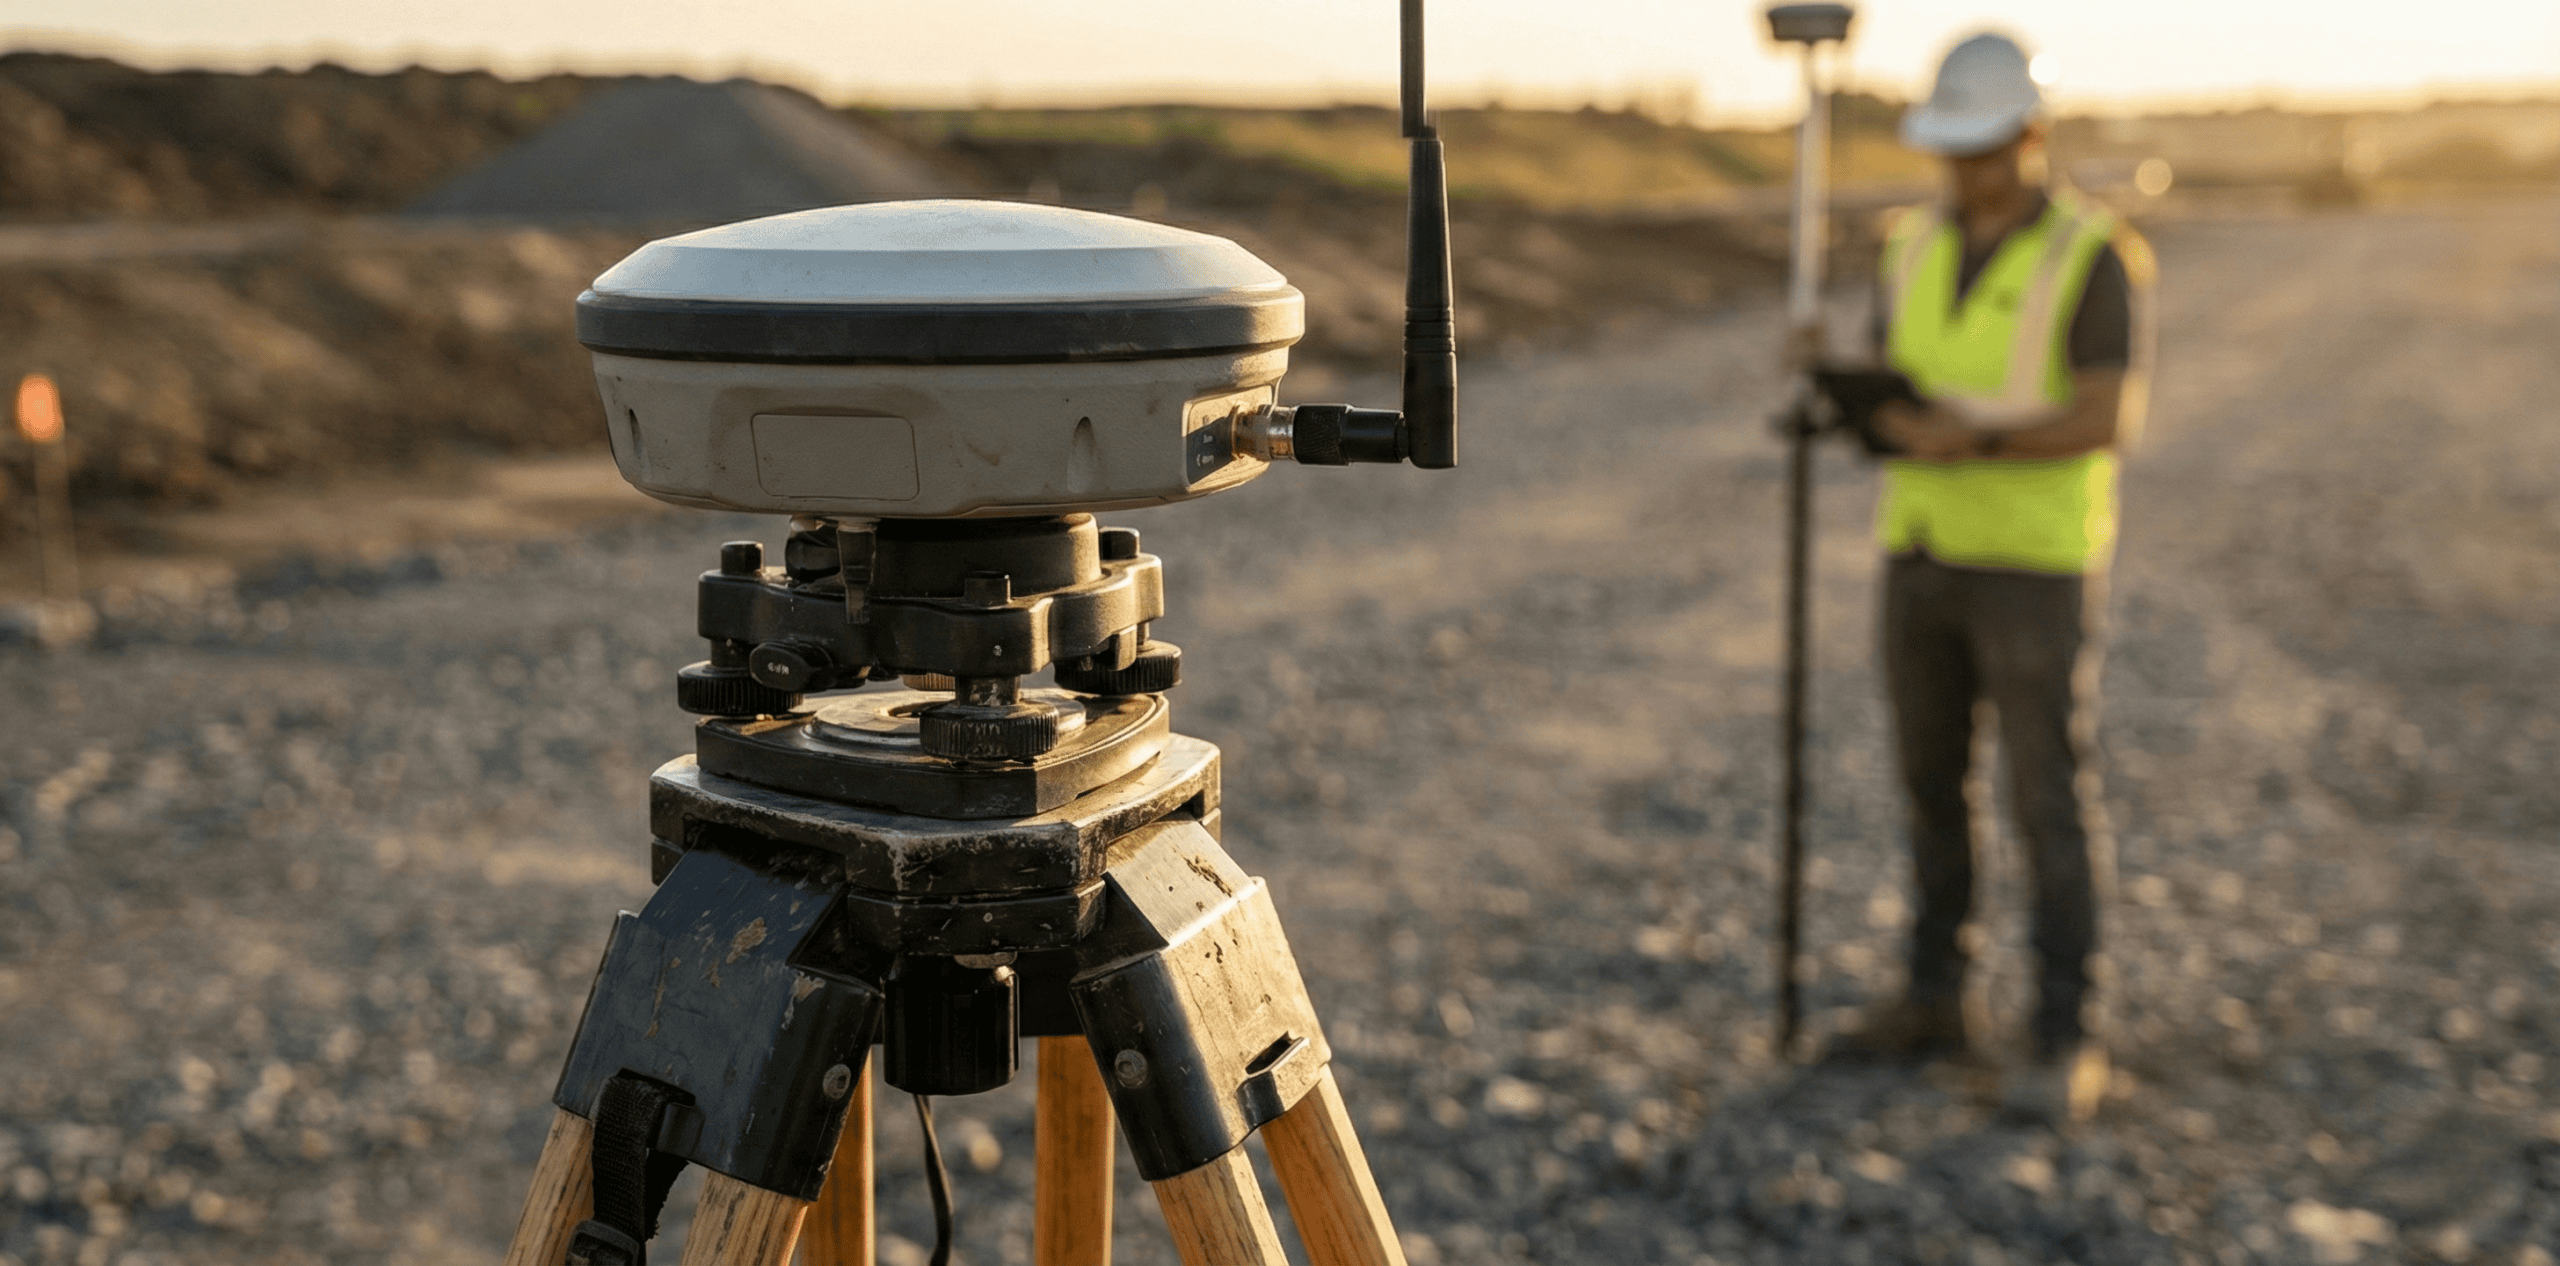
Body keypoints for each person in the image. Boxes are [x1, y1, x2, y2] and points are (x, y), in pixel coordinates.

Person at [1830, 31, 2155, 1126]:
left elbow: (2105, 416)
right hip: (1916, 551)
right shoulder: (1906, 245)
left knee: (2043, 799)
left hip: (2032, 565)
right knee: (1931, 792)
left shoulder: (2094, 253)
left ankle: (2064, 1032)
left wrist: (1962, 443)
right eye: (1948, 148)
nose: (1961, 168)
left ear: (2029, 134)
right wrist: (1840, 394)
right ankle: (1934, 999)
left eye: (1980, 147)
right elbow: (1904, 388)